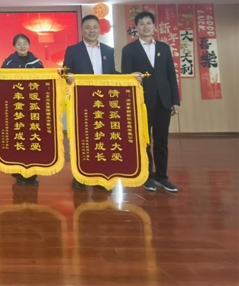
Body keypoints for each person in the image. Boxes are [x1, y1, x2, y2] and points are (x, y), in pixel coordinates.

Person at [122, 11, 180, 193]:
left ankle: (162, 176)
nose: (145, 27)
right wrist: (132, 77)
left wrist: (175, 100)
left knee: (162, 140)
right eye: (141, 24)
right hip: (142, 101)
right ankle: (147, 176)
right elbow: (125, 76)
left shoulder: (164, 47)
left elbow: (171, 75)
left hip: (164, 100)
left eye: (148, 23)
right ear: (136, 28)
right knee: (144, 140)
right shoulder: (129, 50)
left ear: (154, 26)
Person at [63, 15, 117, 189]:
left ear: (99, 29)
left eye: (95, 27)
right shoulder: (72, 50)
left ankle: (102, 175)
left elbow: (112, 73)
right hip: (82, 101)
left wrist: (130, 77)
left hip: (104, 102)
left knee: (103, 137)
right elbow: (65, 72)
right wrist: (68, 77)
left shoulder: (108, 50)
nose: (91, 30)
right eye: (87, 27)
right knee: (82, 138)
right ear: (82, 30)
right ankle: (81, 176)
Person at [1, 33, 43, 186]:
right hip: (15, 108)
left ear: (29, 45)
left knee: (33, 139)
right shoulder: (8, 63)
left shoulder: (37, 63)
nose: (22, 46)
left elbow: (44, 84)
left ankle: (33, 173)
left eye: (25, 43)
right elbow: (1, 85)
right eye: (19, 44)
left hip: (33, 108)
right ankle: (19, 174)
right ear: (14, 46)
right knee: (17, 140)